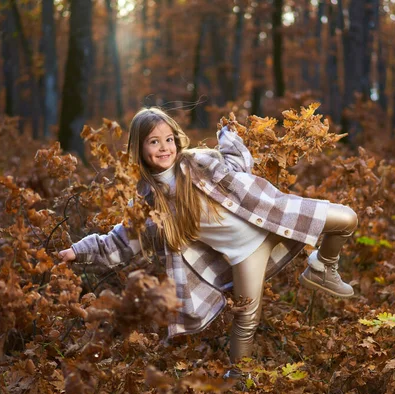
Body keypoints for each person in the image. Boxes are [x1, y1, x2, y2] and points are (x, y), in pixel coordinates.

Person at [59, 107, 358, 375]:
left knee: (346, 219)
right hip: (245, 256)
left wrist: (230, 135)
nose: (164, 148)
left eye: (168, 139)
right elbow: (120, 241)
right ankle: (239, 378)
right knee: (246, 320)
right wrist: (77, 250)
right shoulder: (150, 205)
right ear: (139, 149)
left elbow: (237, 166)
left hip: (273, 218)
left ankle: (322, 267)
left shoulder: (196, 162)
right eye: (154, 141)